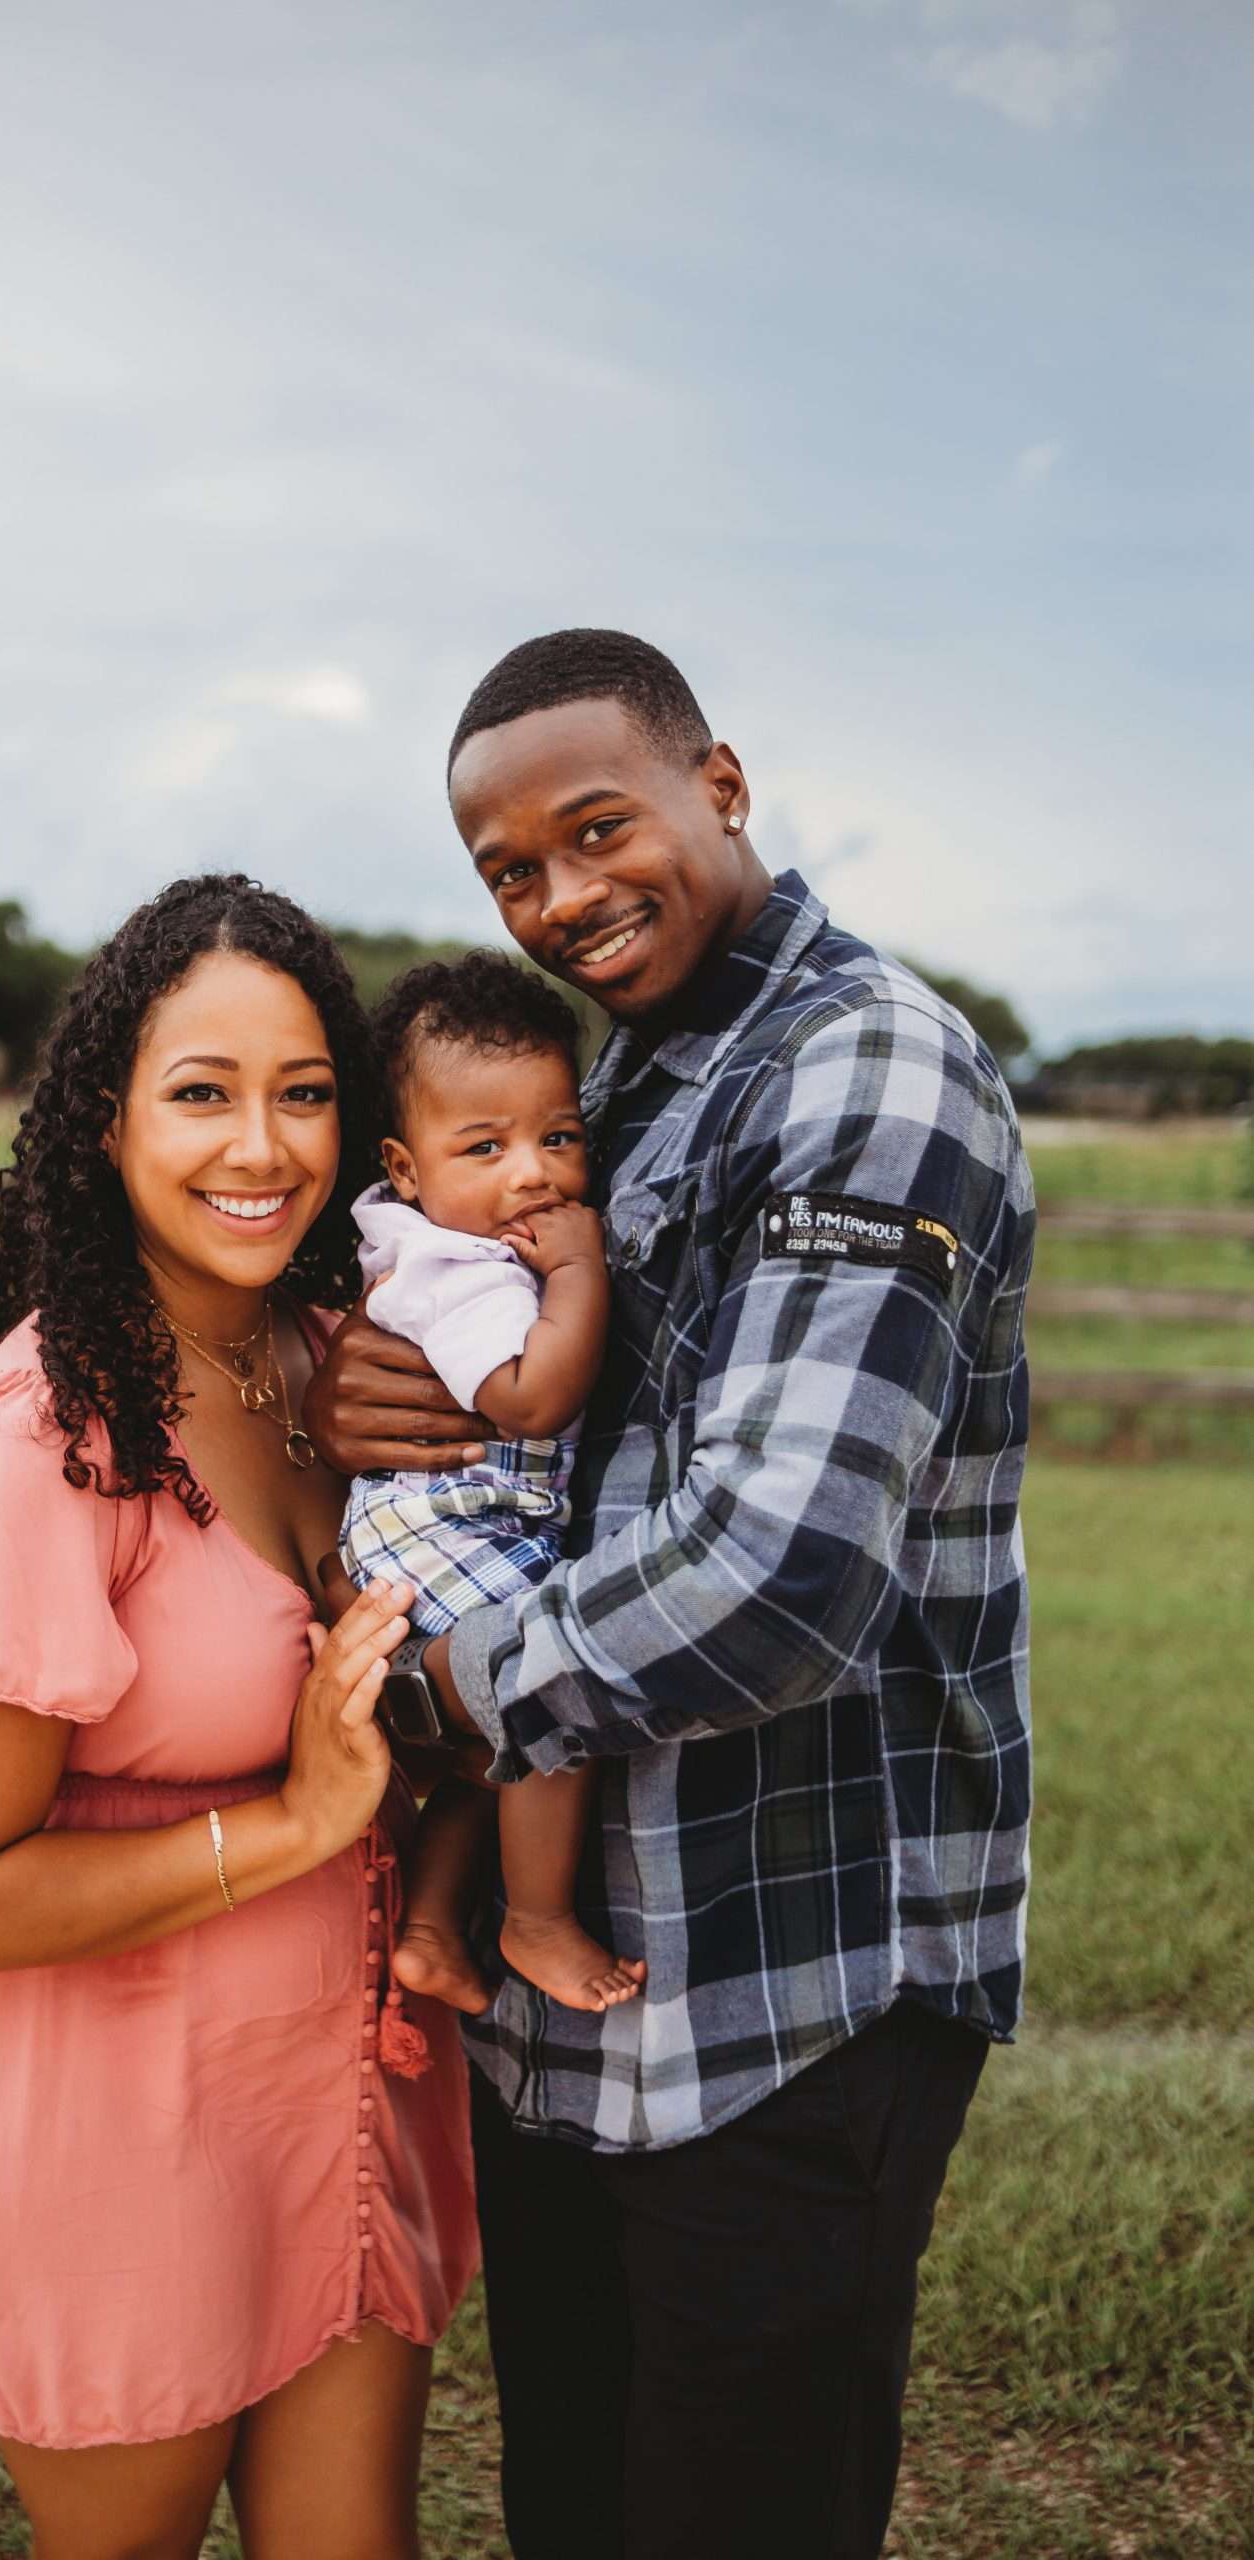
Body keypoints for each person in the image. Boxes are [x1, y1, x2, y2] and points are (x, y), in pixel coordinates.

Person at [306, 631, 1035, 2560]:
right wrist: (367, 1387)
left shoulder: (865, 1071)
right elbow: (535, 1389)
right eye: (508, 871)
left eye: (596, 826)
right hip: (580, 1999)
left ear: (719, 781)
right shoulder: (613, 1087)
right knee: (580, 2507)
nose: (560, 894)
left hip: (783, 1983)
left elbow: (776, 1578)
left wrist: (426, 1701)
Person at [0, 874, 478, 2560]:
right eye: (201, 1093)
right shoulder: (45, 1441)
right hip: (116, 2144)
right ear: (106, 1124)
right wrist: (291, 1823)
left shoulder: (340, 1371)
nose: (259, 1145)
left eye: (305, 1091)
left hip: (338, 2101)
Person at [339, 952, 646, 2016]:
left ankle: (428, 1930)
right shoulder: (455, 1267)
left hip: (451, 1526)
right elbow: (529, 1399)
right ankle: (538, 1918)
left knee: (487, 1756)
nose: (534, 1173)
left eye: (558, 1136)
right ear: (406, 1166)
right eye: (486, 1146)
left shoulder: (459, 1236)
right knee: (554, 1693)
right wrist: (577, 1271)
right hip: (444, 1527)